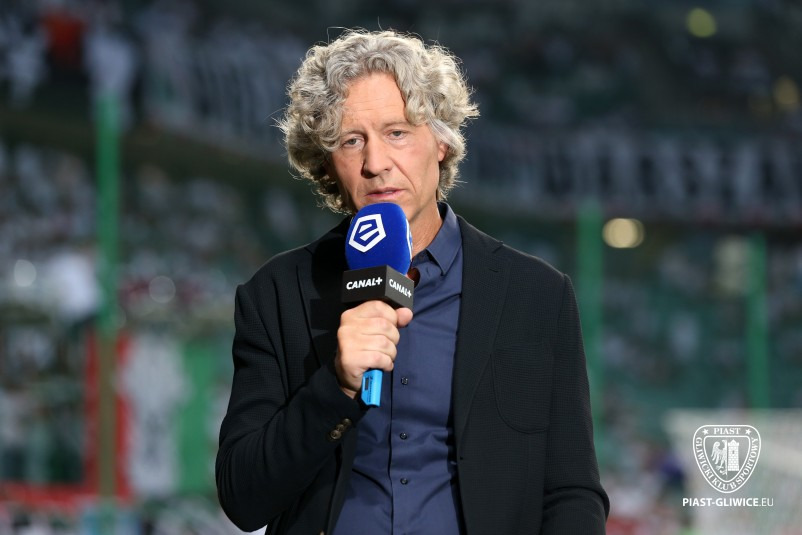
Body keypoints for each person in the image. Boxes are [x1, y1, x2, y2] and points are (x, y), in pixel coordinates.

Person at [216, 29, 609, 535]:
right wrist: (335, 385)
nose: (376, 164)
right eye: (351, 141)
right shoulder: (276, 293)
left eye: (397, 133)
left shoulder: (536, 295)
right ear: (327, 164)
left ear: (441, 142)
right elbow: (243, 499)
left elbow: (572, 491)